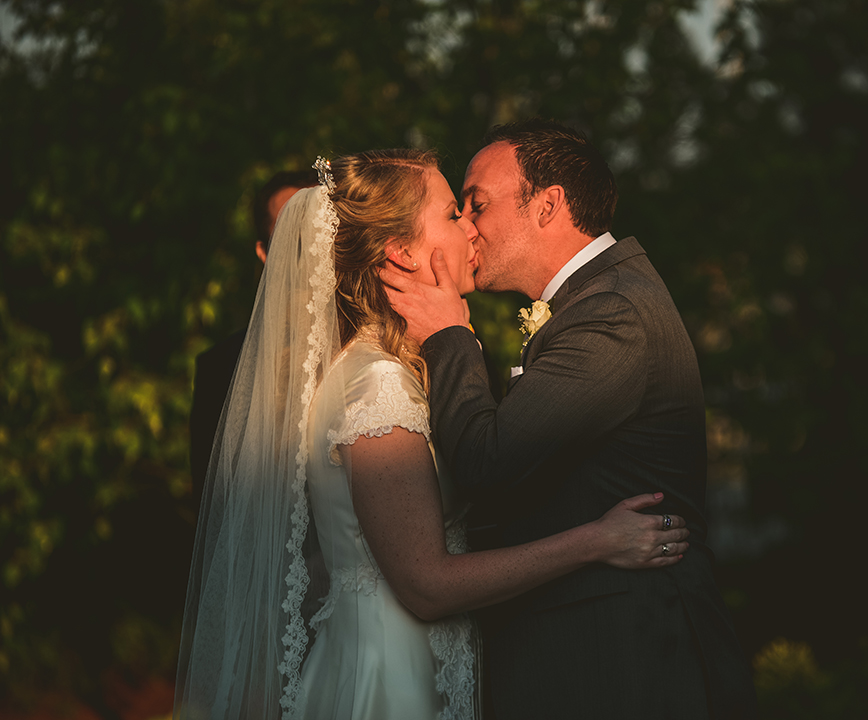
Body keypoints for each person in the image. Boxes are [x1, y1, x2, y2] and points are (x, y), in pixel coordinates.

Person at [173, 149, 689, 720]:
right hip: (388, 683)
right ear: (401, 252)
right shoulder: (378, 387)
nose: (470, 229)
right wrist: (596, 540)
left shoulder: (396, 372)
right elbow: (426, 584)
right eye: (451, 214)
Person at [382, 120, 758, 719]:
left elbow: (489, 464)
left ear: (548, 205)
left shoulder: (613, 314)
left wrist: (449, 334)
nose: (468, 228)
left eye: (476, 205)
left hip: (627, 659)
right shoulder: (595, 302)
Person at [189, 169, 316, 497]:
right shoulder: (220, 367)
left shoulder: (373, 340)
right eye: (289, 227)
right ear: (263, 251)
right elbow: (212, 504)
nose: (304, 238)